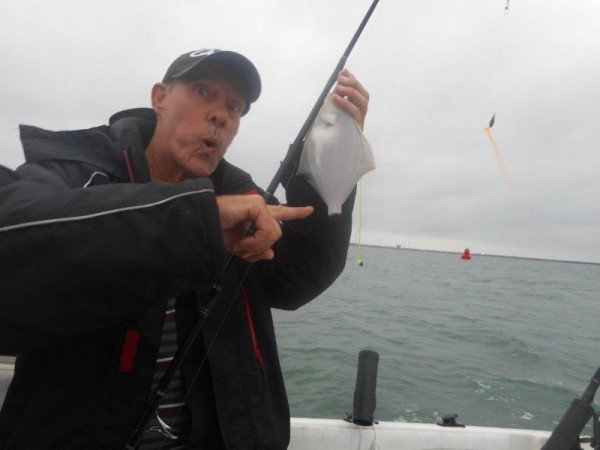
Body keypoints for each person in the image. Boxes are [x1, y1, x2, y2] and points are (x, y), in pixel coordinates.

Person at [0, 48, 369, 449]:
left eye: (235, 106)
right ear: (159, 96)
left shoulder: (241, 195)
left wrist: (331, 154)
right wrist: (197, 224)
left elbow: (297, 280)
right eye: (202, 90)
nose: (220, 115)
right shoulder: (80, 168)